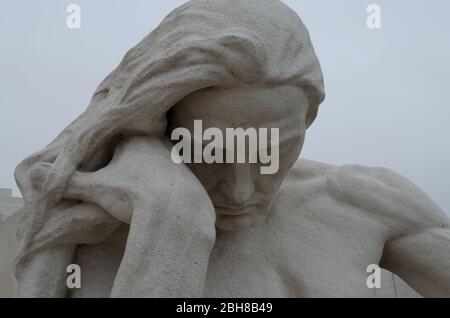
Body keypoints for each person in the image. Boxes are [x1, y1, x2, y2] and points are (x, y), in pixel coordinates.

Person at [13, 0, 450, 297]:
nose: (240, 192)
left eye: (272, 151)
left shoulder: (364, 202)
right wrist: (173, 225)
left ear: (308, 122)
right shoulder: (72, 234)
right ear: (162, 125)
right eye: (210, 152)